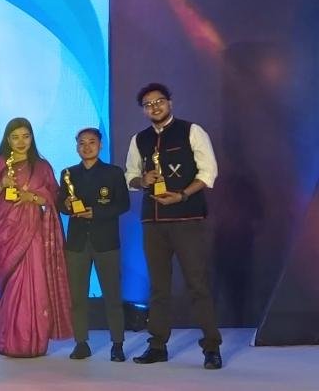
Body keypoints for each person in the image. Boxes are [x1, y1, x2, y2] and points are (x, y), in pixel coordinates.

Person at [124, 82, 222, 370]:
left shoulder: (192, 131)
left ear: (170, 102)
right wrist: (142, 180)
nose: (154, 107)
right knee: (158, 287)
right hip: (153, 222)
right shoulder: (139, 139)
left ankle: (211, 347)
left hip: (186, 219)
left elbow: (209, 172)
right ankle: (157, 345)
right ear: (143, 111)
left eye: (159, 101)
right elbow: (130, 177)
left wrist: (182, 195)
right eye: (148, 104)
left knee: (197, 284)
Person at [0, 117, 72, 357]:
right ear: (7, 139)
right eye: (15, 137)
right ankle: (11, 342)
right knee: (12, 287)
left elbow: (53, 198)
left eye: (25, 136)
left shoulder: (42, 166)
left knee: (36, 286)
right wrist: (2, 183)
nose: (21, 142)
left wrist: (30, 197)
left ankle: (36, 343)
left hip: (33, 235)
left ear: (32, 137)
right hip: (6, 234)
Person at [55, 128, 129, 362]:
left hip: (106, 242)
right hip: (77, 243)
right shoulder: (68, 173)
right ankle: (81, 342)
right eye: (82, 143)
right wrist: (67, 205)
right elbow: (60, 204)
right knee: (77, 297)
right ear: (76, 146)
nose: (86, 147)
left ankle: (117, 344)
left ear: (100, 145)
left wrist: (95, 212)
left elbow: (123, 204)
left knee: (112, 295)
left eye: (92, 142)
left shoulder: (114, 173)